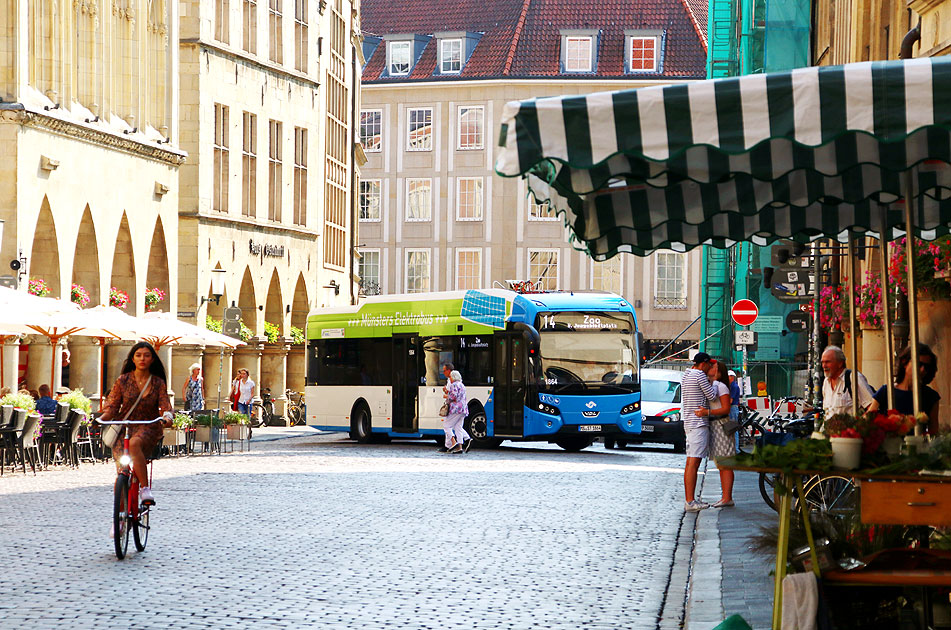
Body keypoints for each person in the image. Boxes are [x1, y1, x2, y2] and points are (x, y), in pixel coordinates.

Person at [98, 341, 173, 507]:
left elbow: (165, 405)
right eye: (138, 355)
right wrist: (101, 419)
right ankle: (120, 520)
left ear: (152, 359)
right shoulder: (123, 380)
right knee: (121, 474)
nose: (142, 359)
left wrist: (167, 417)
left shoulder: (157, 382)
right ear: (132, 358)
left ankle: (145, 488)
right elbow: (112, 406)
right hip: (124, 427)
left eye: (146, 355)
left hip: (148, 426)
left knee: (134, 444)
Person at [867, 343, 941, 434]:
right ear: (905, 363)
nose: (922, 370)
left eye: (926, 367)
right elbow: (867, 420)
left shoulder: (931, 396)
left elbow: (933, 430)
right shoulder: (886, 391)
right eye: (919, 364)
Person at [694, 360, 736, 508]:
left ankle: (727, 497)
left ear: (718, 372)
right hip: (716, 425)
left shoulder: (721, 386)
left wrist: (707, 412)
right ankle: (725, 496)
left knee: (725, 462)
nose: (710, 368)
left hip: (721, 425)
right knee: (721, 463)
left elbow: (725, 409)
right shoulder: (713, 385)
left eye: (713, 366)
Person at [681, 352, 716, 512]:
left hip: (689, 421)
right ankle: (690, 501)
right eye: (710, 364)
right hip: (698, 423)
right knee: (694, 463)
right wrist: (715, 383)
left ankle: (690, 499)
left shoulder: (687, 375)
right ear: (704, 363)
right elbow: (712, 395)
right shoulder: (700, 375)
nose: (711, 367)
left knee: (690, 463)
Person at [821, 345, 874, 418]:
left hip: (849, 428)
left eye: (827, 362)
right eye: (822, 362)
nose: (824, 365)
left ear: (840, 363)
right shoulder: (826, 382)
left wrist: (860, 424)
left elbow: (872, 406)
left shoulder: (854, 378)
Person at [442, 368, 471, 454]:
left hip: (456, 409)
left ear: (454, 377)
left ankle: (453, 442)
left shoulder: (454, 385)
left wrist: (446, 396)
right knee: (458, 427)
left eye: (450, 377)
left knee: (446, 425)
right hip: (463, 409)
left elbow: (453, 396)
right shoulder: (462, 385)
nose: (450, 378)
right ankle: (460, 447)